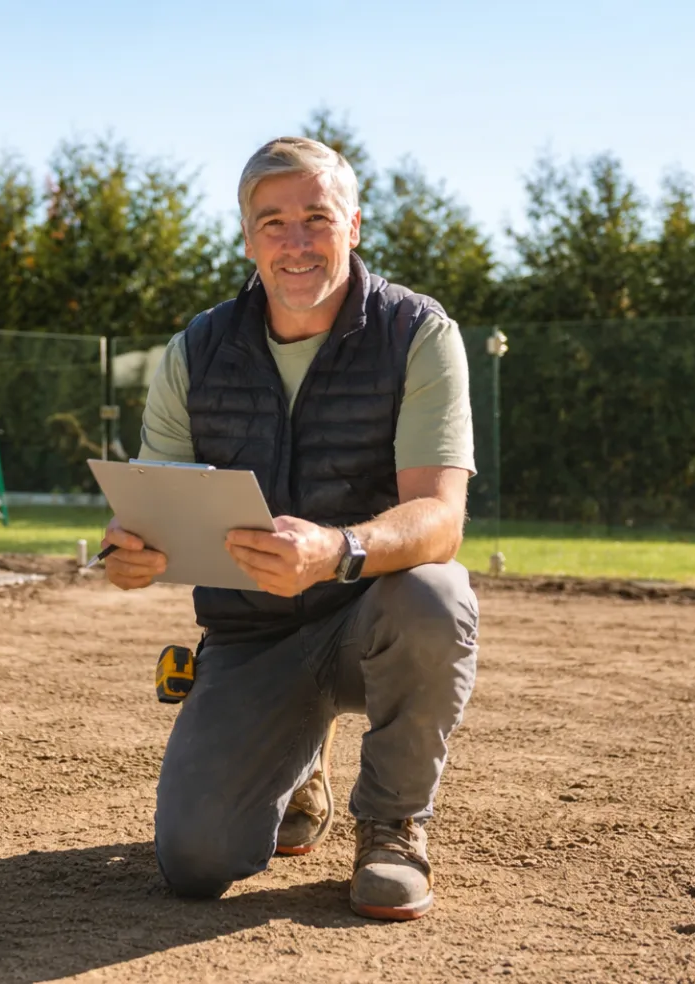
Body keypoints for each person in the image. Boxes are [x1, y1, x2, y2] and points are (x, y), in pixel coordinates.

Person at [101, 136, 478, 921]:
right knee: (196, 861)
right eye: (273, 222)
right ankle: (300, 760)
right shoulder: (197, 351)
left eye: (317, 217)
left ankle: (392, 828)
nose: (295, 241)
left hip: (372, 617)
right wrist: (129, 550)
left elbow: (441, 519)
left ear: (354, 226)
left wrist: (336, 551)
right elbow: (155, 500)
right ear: (248, 238)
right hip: (252, 637)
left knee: (436, 596)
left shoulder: (418, 333)